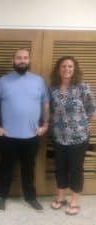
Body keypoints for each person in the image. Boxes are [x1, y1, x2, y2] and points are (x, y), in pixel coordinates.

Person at [0, 48, 49, 211]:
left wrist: (45, 125)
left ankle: (30, 197)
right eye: (19, 58)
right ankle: (1, 196)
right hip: (8, 135)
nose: (22, 61)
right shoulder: (2, 81)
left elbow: (45, 103)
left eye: (25, 58)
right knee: (5, 168)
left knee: (29, 169)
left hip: (31, 135)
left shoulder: (38, 81)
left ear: (29, 60)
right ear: (13, 60)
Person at [49, 56, 96, 215]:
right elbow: (49, 111)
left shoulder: (83, 88)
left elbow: (91, 110)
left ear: (74, 69)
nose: (66, 69)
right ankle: (61, 197)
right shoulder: (53, 89)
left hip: (79, 137)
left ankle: (75, 200)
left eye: (70, 66)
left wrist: (79, 125)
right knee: (60, 168)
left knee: (76, 169)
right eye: (63, 66)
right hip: (58, 136)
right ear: (58, 69)